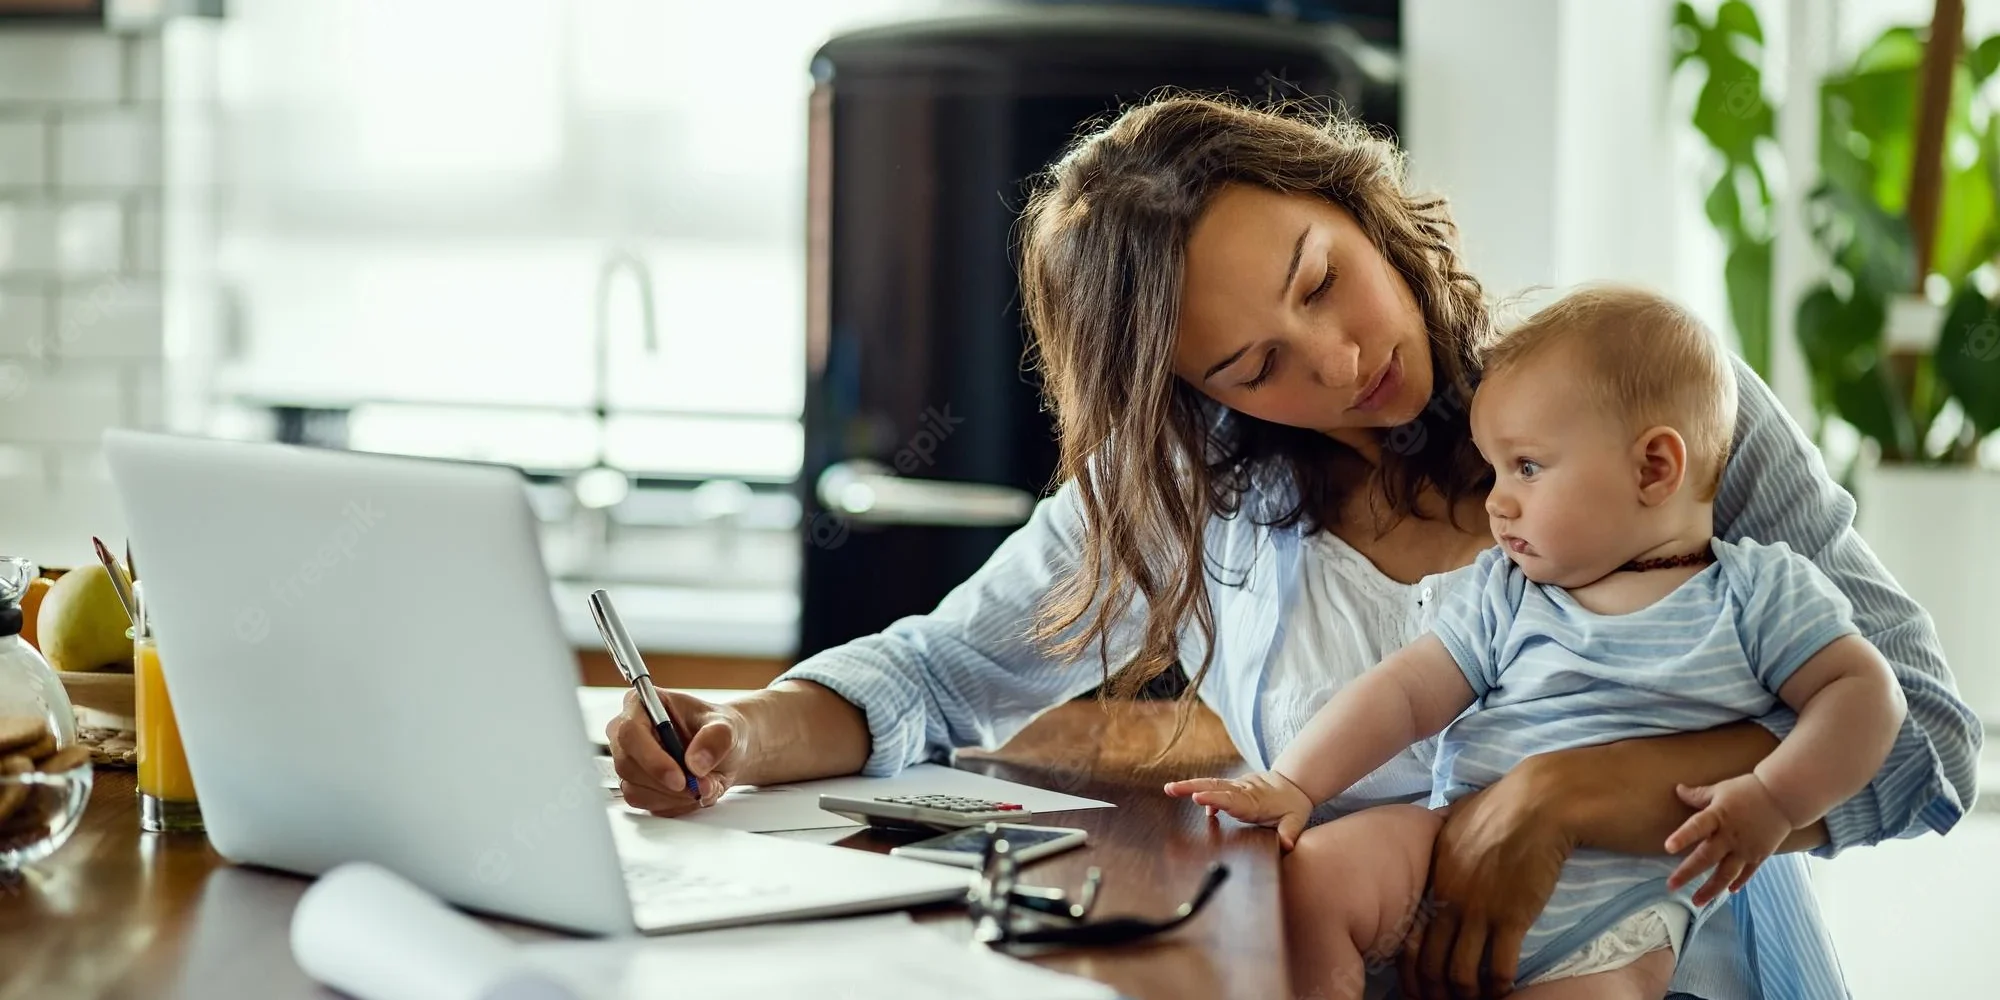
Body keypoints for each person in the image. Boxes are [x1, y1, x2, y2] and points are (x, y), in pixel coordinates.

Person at [606, 96, 1978, 1000]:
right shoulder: (1195, 491)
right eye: (1257, 362)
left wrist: (1561, 799)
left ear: (1363, 205)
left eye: (1324, 279)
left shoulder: (1647, 411)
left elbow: (1925, 750)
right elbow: (937, 675)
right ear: (1198, 394)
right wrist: (739, 730)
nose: (1339, 361)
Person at [1163, 286, 1909, 999]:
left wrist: (1777, 799)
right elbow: (1405, 692)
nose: (1497, 501)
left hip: (1620, 921)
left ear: (1655, 468)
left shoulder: (1756, 595)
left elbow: (1868, 694)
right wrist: (1296, 783)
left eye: (1526, 467)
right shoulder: (1510, 591)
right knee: (1311, 885)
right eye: (1493, 470)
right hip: (1454, 844)